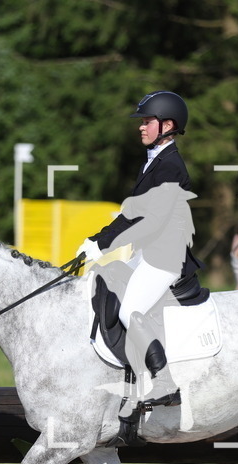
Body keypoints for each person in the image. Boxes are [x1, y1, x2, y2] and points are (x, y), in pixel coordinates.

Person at [79, 90, 205, 410]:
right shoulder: (153, 162)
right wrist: (98, 243)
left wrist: (102, 244)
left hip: (165, 258)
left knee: (128, 310)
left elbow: (142, 218)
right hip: (148, 254)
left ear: (168, 125)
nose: (141, 127)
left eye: (147, 121)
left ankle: (163, 381)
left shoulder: (170, 166)